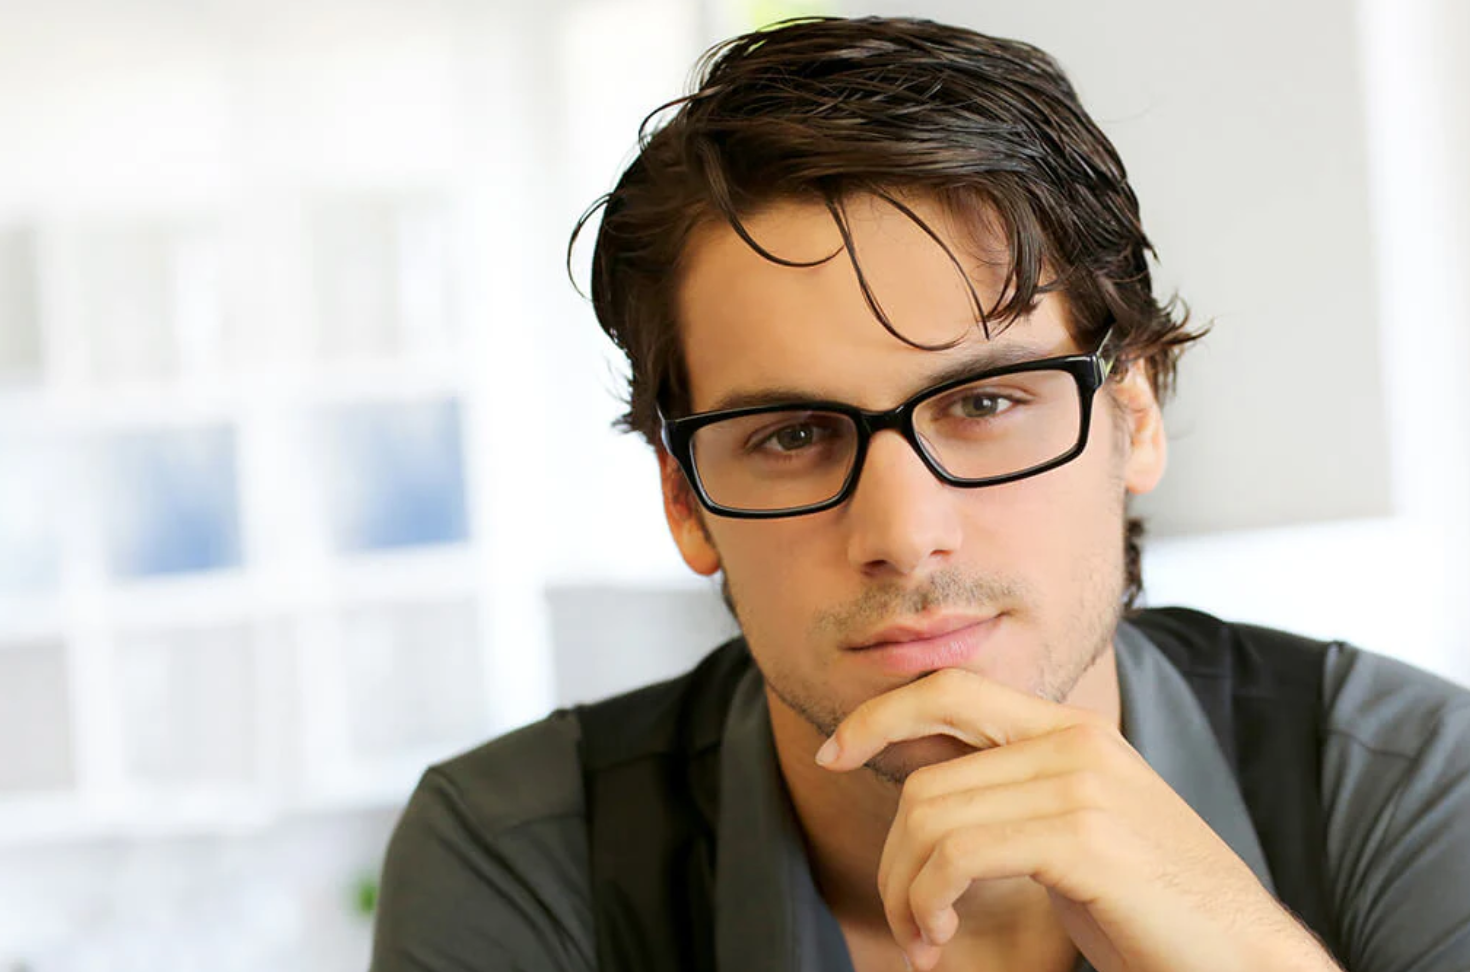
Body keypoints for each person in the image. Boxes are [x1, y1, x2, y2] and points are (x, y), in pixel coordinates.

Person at [368, 16, 1470, 972]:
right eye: (793, 435)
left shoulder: (1411, 782)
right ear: (686, 503)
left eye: (985, 406)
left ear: (1132, 420)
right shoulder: (525, 848)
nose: (904, 534)